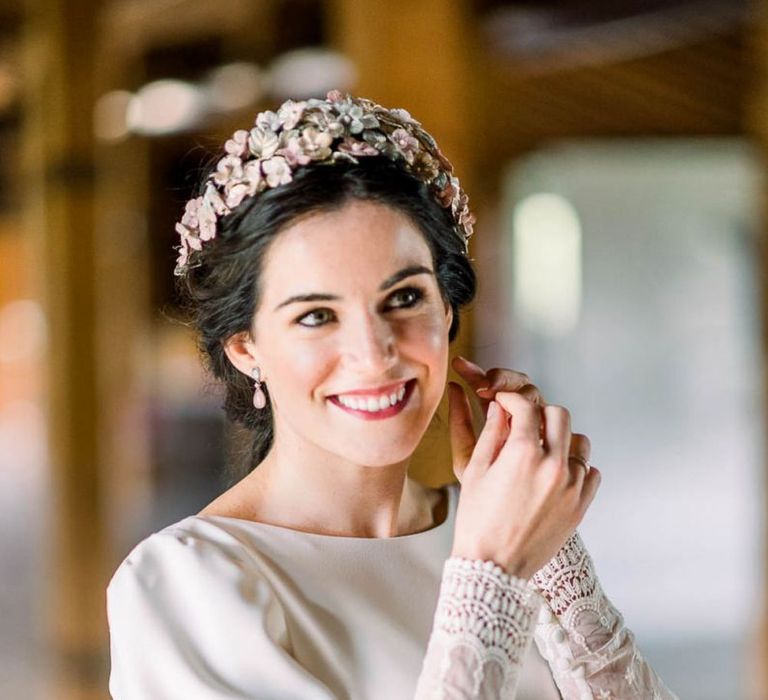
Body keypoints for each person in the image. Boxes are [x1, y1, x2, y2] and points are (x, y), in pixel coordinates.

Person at [106, 91, 678, 699]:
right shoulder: (188, 582)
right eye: (316, 316)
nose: (375, 353)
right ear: (246, 348)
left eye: (404, 298)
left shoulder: (496, 520)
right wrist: (493, 578)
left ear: (447, 308)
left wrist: (555, 555)